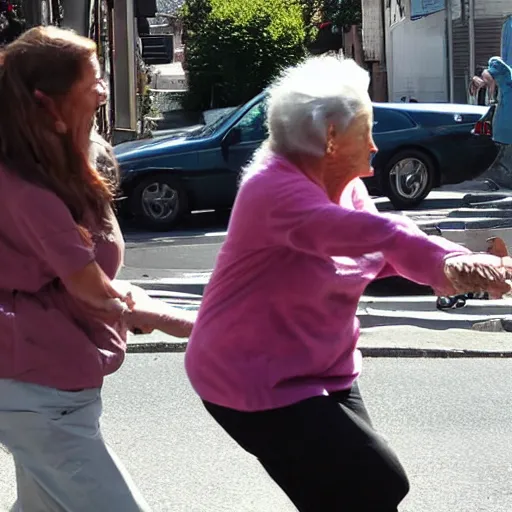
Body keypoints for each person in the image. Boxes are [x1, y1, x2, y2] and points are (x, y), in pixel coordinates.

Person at [185, 55, 511, 512]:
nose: (376, 146)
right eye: (367, 131)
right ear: (332, 138)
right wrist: (456, 267)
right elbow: (382, 235)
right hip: (250, 377)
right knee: (377, 483)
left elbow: (381, 256)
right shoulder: (273, 189)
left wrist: (461, 268)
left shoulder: (346, 185)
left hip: (324, 368)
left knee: (350, 498)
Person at [0, 26, 193, 511]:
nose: (105, 90)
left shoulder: (70, 163)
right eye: (94, 81)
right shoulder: (28, 190)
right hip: (38, 396)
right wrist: (202, 324)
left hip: (55, 391)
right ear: (47, 102)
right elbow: (96, 293)